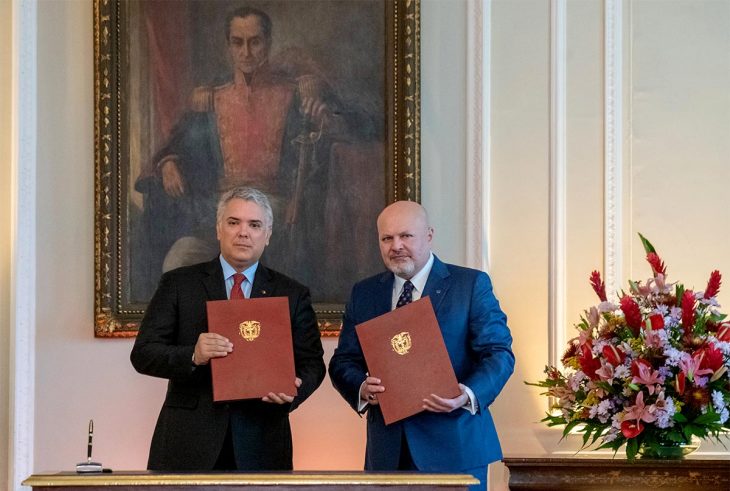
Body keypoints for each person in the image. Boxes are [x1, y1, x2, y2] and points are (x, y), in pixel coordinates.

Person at [133, 6, 373, 300]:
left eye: (255, 42)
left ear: (268, 43)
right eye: (238, 43)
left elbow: (362, 124)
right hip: (216, 215)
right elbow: (174, 143)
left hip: (278, 217)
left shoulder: (297, 92)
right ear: (228, 47)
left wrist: (327, 115)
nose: (246, 52)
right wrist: (169, 162)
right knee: (177, 263)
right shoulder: (212, 97)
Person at [130, 186, 325, 471]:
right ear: (219, 229)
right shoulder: (179, 284)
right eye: (234, 222)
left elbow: (312, 363)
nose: (243, 232)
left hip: (262, 440)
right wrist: (192, 355)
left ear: (268, 235)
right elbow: (143, 354)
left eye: (254, 225)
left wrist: (295, 389)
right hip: (188, 440)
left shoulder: (291, 293)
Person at [328, 201, 514, 490]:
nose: (396, 246)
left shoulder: (470, 284)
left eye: (406, 236)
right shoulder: (364, 292)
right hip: (388, 454)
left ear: (429, 235)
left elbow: (498, 354)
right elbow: (344, 361)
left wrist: (465, 394)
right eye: (387, 238)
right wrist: (361, 388)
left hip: (456, 449)